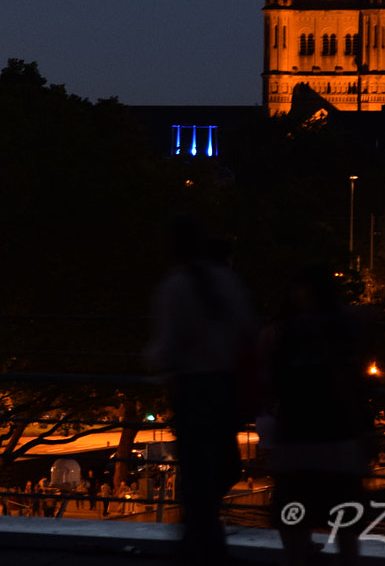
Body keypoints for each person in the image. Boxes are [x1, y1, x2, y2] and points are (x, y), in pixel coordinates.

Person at [143, 213, 257, 564]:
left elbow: (166, 348)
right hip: (225, 388)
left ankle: (201, 542)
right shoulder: (225, 281)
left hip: (193, 390)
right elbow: (249, 332)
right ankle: (209, 541)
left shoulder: (175, 286)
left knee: (196, 478)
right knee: (221, 468)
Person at [261, 263, 373, 566]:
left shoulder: (289, 331)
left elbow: (277, 380)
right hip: (339, 434)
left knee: (292, 516)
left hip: (299, 434)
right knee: (346, 521)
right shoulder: (345, 326)